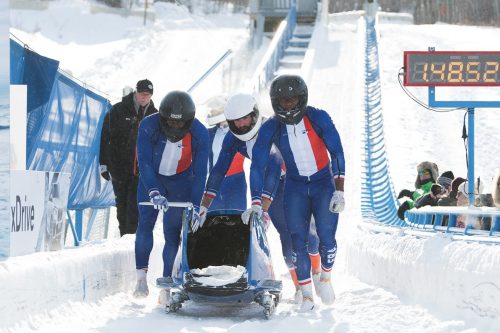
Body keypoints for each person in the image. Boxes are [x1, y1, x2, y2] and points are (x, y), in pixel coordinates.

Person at [198, 93, 320, 304]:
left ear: (255, 115)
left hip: (296, 179)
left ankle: (318, 273)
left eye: (245, 118)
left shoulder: (271, 129)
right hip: (268, 182)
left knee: (308, 234)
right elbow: (218, 171)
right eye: (236, 121)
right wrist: (204, 204)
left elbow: (272, 169)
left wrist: (259, 205)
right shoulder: (234, 137)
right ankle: (301, 288)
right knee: (287, 237)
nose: (242, 124)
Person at [250, 75, 345, 312]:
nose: (288, 106)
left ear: (301, 99)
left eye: (292, 101)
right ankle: (306, 295)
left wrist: (340, 189)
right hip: (295, 185)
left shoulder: (318, 117)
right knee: (297, 242)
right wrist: (255, 200)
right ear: (275, 103)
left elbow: (337, 151)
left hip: (323, 182)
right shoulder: (271, 127)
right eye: (283, 102)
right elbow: (257, 165)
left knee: (326, 237)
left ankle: (325, 277)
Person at [133, 91, 209, 299]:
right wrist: (153, 191)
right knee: (145, 223)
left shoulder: (200, 133)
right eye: (170, 123)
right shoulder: (148, 126)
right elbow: (145, 162)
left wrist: (195, 203)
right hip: (152, 179)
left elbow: (201, 172)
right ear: (162, 118)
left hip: (181, 182)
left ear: (189, 121)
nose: (174, 128)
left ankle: (166, 284)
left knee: (172, 232)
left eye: (180, 124)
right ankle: (141, 278)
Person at [99, 79, 157, 236]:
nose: (144, 97)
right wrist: (103, 163)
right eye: (142, 93)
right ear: (135, 93)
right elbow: (105, 137)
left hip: (142, 170)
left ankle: (130, 238)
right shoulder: (118, 110)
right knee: (122, 205)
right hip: (119, 167)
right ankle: (124, 235)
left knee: (134, 205)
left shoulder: (155, 115)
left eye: (148, 94)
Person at [205, 95, 246, 211]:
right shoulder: (209, 133)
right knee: (213, 219)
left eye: (215, 111)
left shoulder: (241, 131)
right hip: (214, 180)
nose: (212, 112)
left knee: (237, 220)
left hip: (236, 182)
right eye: (212, 111)